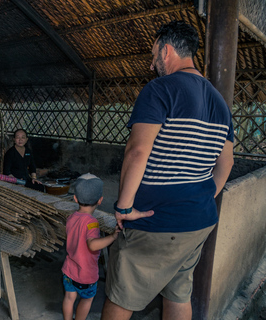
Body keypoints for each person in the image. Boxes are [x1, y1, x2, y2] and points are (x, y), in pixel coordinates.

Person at [101, 21, 235, 320]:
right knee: (177, 292)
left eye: (153, 56)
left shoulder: (160, 89)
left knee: (122, 296)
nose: (152, 65)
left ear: (167, 49)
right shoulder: (220, 102)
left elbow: (137, 152)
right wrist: (204, 194)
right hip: (198, 221)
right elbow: (226, 162)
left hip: (157, 222)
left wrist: (123, 207)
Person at [62, 173, 120, 320]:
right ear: (100, 200)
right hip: (85, 274)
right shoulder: (92, 222)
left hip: (69, 270)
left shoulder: (71, 217)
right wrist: (112, 236)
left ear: (75, 198)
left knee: (69, 297)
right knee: (86, 299)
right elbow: (93, 245)